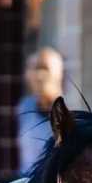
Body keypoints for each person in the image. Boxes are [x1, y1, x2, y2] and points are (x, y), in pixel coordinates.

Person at [17, 47, 64, 175]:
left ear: (58, 73)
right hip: (25, 181)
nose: (39, 76)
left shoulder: (68, 111)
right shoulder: (25, 107)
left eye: (44, 69)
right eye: (35, 69)